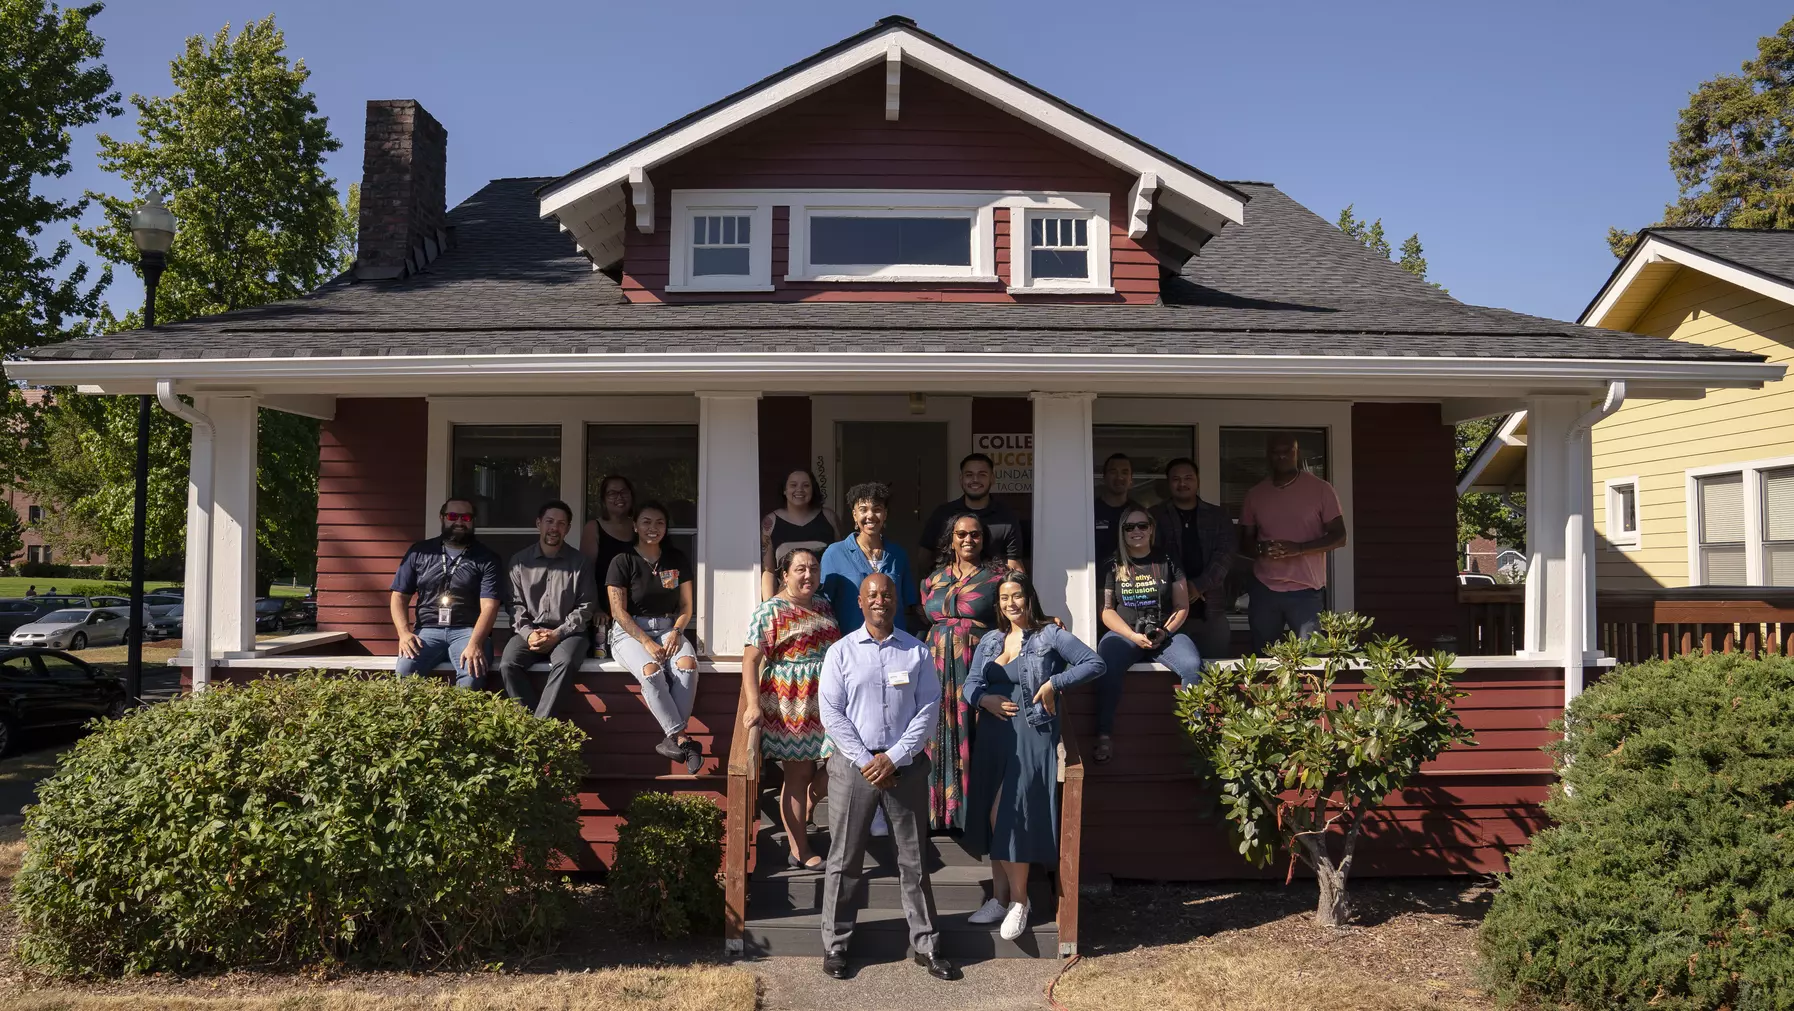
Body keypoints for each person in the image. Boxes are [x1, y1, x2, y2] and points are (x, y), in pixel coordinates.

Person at [817, 574, 956, 983]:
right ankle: (837, 945)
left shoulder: (916, 653)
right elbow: (831, 712)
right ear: (860, 602)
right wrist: (866, 760)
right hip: (852, 768)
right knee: (844, 859)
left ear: (897, 600)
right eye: (872, 595)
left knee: (913, 860)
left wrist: (893, 757)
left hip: (904, 768)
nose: (880, 600)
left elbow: (929, 708)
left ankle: (926, 944)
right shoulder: (840, 653)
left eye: (887, 594)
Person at [963, 572, 1104, 941]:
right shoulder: (991, 640)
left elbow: (1094, 663)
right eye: (1005, 598)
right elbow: (970, 684)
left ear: (1030, 598)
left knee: (1008, 814)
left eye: (1018, 596)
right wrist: (983, 699)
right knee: (995, 819)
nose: (1011, 604)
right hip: (995, 737)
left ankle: (1019, 902)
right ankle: (998, 897)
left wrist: (1054, 684)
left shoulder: (1050, 635)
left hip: (1032, 734)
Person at [740, 547, 840, 871]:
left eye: (813, 568)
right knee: (798, 775)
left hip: (826, 698)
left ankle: (812, 797)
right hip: (791, 703)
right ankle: (799, 849)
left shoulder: (824, 604)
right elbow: (750, 661)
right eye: (800, 569)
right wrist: (754, 705)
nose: (808, 574)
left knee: (844, 761)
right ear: (785, 575)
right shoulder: (770, 611)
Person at [1092, 504, 1202, 763]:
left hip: (1166, 634)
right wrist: (1131, 636)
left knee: (1192, 666)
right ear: (1122, 531)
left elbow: (1182, 605)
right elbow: (1106, 610)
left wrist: (1165, 631)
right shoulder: (1112, 563)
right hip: (1124, 634)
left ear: (1151, 529)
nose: (1136, 531)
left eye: (1142, 525)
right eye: (1129, 527)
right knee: (1106, 664)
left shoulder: (1167, 560)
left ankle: (1196, 736)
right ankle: (1104, 734)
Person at [918, 512, 1006, 832]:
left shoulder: (998, 578)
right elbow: (926, 617)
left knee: (974, 733)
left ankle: (972, 816)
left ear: (983, 539)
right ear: (951, 539)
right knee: (936, 733)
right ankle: (938, 814)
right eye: (961, 534)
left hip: (977, 665)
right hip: (937, 668)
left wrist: (1046, 622)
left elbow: (1020, 613)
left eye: (975, 534)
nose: (968, 539)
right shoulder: (932, 580)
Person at [606, 501, 702, 775]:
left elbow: (686, 607)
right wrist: (646, 642)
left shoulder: (676, 559)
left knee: (687, 666)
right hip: (630, 632)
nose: (653, 528)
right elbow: (618, 611)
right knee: (651, 671)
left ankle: (672, 738)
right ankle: (682, 738)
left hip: (669, 628)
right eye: (646, 522)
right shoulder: (622, 561)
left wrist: (676, 631)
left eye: (659, 522)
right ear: (635, 525)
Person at [1240, 433, 1346, 653]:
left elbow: (1339, 536)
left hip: (1306, 589)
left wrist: (1298, 549)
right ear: (1267, 456)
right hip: (1264, 589)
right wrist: (1262, 549)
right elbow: (1244, 543)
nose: (1281, 457)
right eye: (1275, 452)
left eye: (1287, 451)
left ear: (1297, 453)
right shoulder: (1255, 494)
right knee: (1264, 657)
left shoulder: (1321, 489)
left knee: (1311, 659)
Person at [389, 498, 505, 686]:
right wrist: (404, 634)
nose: (459, 522)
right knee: (405, 671)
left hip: (468, 631)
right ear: (442, 518)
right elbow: (399, 596)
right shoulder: (420, 552)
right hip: (428, 630)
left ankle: (462, 716)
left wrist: (475, 643)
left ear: (473, 520)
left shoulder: (487, 558)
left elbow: (490, 606)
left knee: (472, 676)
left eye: (466, 517)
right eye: (453, 516)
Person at [500, 499, 595, 718]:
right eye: (550, 521)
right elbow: (514, 604)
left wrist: (558, 633)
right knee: (508, 664)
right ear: (538, 523)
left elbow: (586, 606)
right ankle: (531, 721)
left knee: (566, 662)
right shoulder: (519, 562)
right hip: (529, 631)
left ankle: (539, 729)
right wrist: (528, 633)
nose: (555, 528)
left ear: (568, 529)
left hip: (569, 633)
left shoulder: (580, 563)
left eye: (561, 523)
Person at [1149, 457, 1239, 660]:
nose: (1182, 483)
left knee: (1217, 671)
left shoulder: (1218, 516)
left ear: (1197, 480)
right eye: (1176, 479)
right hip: (1168, 611)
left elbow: (1226, 554)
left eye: (1188, 478)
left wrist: (1198, 586)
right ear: (1168, 482)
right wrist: (1179, 589)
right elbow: (1151, 557)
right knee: (1178, 670)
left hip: (1211, 609)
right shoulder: (1155, 516)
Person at [819, 481, 920, 634]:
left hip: (894, 645)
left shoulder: (898, 555)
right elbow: (823, 606)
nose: (870, 515)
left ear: (885, 514)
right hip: (850, 646)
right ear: (854, 515)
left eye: (877, 509)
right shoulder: (835, 553)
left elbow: (908, 606)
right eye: (863, 510)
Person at [919, 454, 1025, 572]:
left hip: (993, 588)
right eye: (969, 475)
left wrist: (1019, 589)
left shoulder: (1006, 517)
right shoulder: (943, 514)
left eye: (982, 475)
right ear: (961, 479)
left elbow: (1014, 564)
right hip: (949, 588)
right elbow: (924, 559)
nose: (975, 480)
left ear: (992, 478)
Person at [760, 469, 839, 601]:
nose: (800, 489)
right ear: (784, 490)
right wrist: (770, 606)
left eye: (806, 485)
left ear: (813, 489)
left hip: (826, 602)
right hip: (788, 603)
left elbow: (841, 560)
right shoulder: (770, 522)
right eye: (793, 485)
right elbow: (768, 571)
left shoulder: (829, 518)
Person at [581, 474, 638, 596]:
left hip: (638, 605)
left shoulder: (640, 526)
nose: (619, 497)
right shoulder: (593, 528)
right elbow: (586, 574)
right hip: (605, 607)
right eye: (612, 493)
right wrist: (595, 607)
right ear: (603, 500)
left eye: (624, 492)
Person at [1093, 453, 1133, 567]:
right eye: (1113, 472)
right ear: (1104, 477)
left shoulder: (1138, 512)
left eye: (1125, 472)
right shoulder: (1090, 511)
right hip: (1095, 580)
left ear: (1131, 479)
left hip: (1133, 580)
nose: (1119, 477)